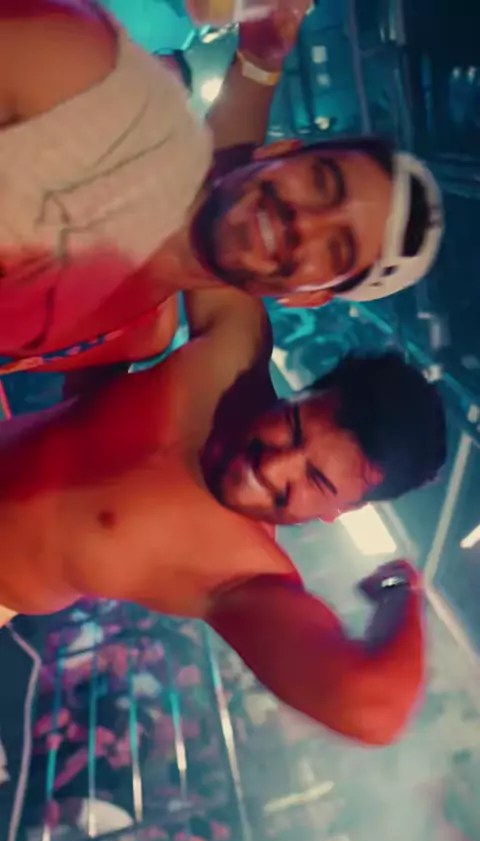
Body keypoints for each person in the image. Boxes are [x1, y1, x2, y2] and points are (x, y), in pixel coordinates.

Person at [0, 280, 446, 745]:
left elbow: (371, 708)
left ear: (340, 511)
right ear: (298, 394)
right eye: (293, 425)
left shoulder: (243, 578)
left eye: (315, 479)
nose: (273, 465)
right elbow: (193, 240)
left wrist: (401, 591)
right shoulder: (232, 353)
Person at [0, 0, 443, 381]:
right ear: (278, 150)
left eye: (336, 249)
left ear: (308, 297)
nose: (304, 221)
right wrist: (259, 63)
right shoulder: (86, 79)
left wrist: (261, 61)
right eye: (322, 183)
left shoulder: (139, 334)